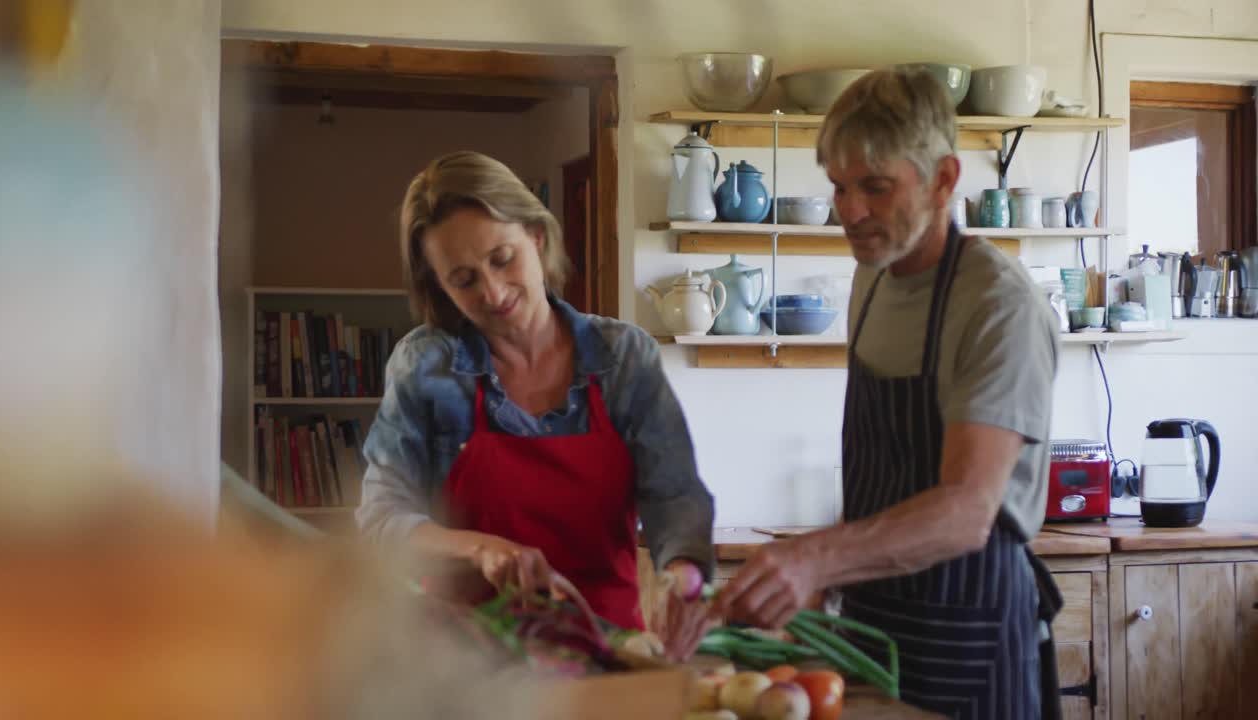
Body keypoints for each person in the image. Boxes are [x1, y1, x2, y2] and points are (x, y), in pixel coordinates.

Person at [712, 68, 1062, 719]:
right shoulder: (871, 280)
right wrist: (807, 581)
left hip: (971, 630)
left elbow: (966, 511)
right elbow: (889, 489)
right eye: (839, 187)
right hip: (874, 628)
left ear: (944, 180)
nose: (850, 211)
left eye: (876, 186)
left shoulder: (996, 305)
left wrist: (818, 560)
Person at [357, 151, 714, 657]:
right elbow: (381, 520)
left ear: (537, 237)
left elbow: (674, 495)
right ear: (439, 286)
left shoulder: (623, 359)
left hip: (605, 654)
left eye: (502, 259)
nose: (494, 291)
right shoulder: (426, 366)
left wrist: (683, 575)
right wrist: (481, 549)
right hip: (460, 664)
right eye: (463, 279)